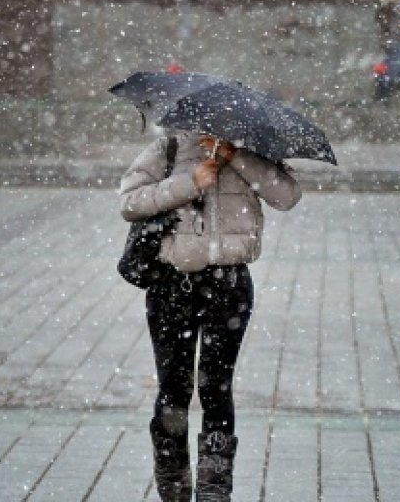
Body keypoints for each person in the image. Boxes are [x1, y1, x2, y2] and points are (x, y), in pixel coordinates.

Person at [120, 130, 301, 501]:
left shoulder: (249, 150)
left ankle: (213, 491)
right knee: (175, 388)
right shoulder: (167, 148)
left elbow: (286, 196)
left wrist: (236, 157)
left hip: (228, 287)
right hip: (173, 287)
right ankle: (173, 485)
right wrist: (190, 182)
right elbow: (130, 203)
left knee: (216, 388)